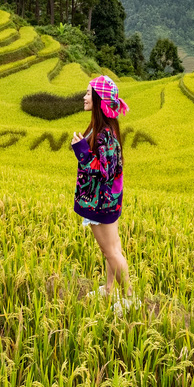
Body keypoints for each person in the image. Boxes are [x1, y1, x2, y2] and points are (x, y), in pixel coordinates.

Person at [71, 75, 133, 300]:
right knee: (111, 249)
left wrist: (81, 151)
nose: (84, 97)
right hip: (107, 200)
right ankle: (109, 290)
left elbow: (104, 172)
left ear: (98, 100)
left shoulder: (104, 134)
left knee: (111, 251)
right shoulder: (103, 128)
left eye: (88, 93)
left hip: (101, 202)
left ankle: (129, 298)